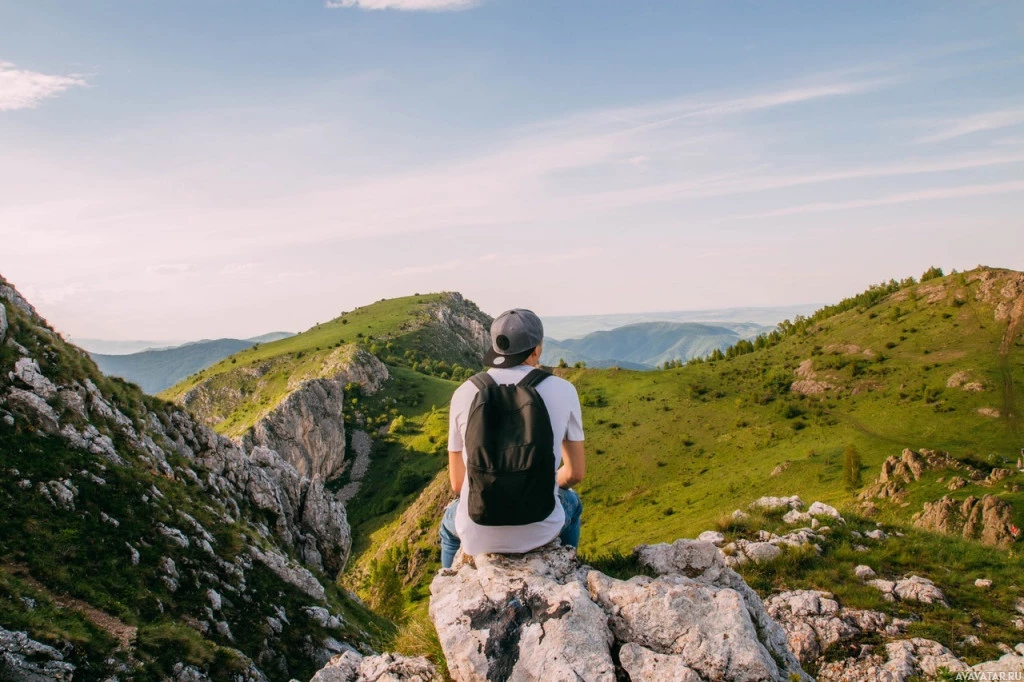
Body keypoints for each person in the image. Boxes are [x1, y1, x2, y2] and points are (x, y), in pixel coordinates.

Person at [439, 308, 586, 569]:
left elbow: (457, 484)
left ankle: (451, 576)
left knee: (449, 526)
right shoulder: (564, 390)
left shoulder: (464, 393)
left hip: (478, 531)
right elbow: (575, 474)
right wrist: (540, 481)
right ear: (536, 349)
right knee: (572, 502)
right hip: (541, 529)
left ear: (496, 347)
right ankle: (567, 567)